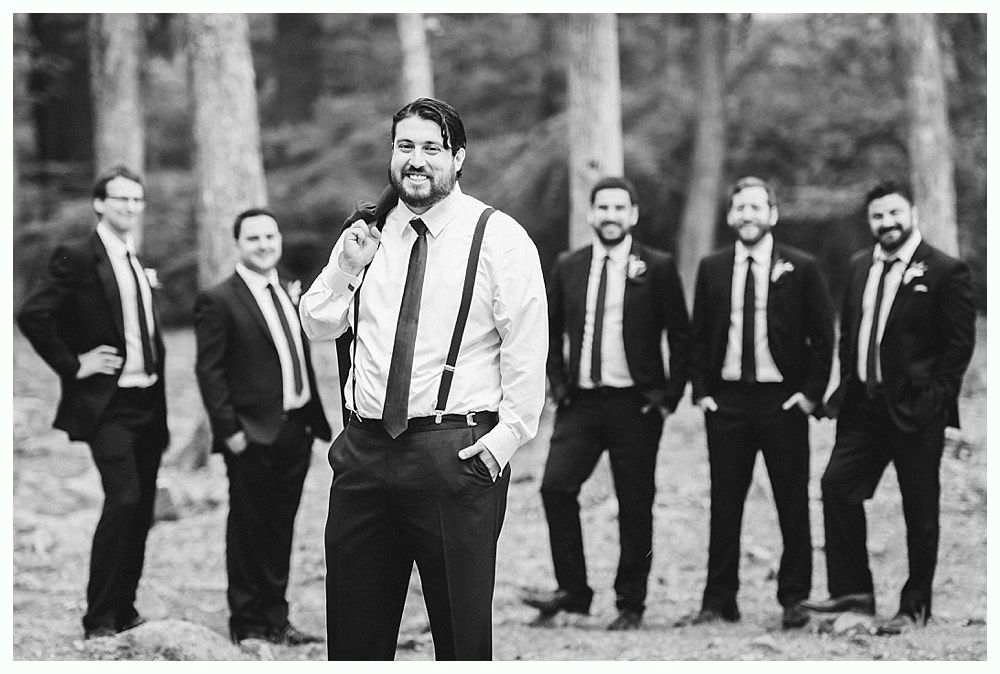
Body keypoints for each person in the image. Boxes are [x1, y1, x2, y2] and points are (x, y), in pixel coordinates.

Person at [299, 97, 547, 660]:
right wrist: (346, 266)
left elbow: (528, 352)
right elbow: (317, 322)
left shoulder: (499, 238)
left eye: (431, 149)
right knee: (355, 637)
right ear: (391, 154)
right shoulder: (365, 233)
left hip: (454, 455)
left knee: (460, 639)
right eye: (405, 146)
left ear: (458, 158)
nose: (417, 160)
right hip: (363, 454)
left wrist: (501, 444)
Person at [801, 181, 975, 635]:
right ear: (870, 222)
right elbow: (850, 333)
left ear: (912, 213)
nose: (887, 223)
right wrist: (843, 387)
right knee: (837, 485)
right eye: (878, 216)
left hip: (916, 410)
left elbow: (958, 346)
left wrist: (935, 399)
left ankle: (914, 606)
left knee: (919, 508)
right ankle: (854, 591)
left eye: (895, 213)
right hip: (862, 407)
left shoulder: (944, 270)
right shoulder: (860, 266)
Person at [521, 177, 690, 631]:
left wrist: (668, 397)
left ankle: (631, 603)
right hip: (581, 403)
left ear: (633, 214)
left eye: (620, 208)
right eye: (603, 208)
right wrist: (557, 386)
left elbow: (681, 333)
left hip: (637, 405)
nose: (611, 215)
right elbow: (550, 331)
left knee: (634, 503)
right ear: (592, 214)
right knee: (555, 487)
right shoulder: (569, 265)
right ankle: (574, 592)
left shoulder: (656, 266)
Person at [17, 165, 168, 639]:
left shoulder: (135, 258)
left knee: (142, 507)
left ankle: (124, 608)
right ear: (99, 203)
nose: (129, 207)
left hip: (149, 402)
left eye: (136, 200)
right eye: (120, 199)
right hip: (109, 406)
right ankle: (98, 617)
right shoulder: (78, 255)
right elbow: (34, 314)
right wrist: (73, 363)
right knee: (122, 499)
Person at [678, 176, 835, 630]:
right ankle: (719, 600)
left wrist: (809, 395)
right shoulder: (712, 266)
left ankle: (795, 598)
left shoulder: (801, 267)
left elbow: (824, 336)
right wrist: (702, 391)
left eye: (756, 207)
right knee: (725, 504)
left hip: (781, 401)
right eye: (740, 208)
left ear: (773, 214)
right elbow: (699, 333)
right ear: (731, 216)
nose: (747, 215)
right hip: (726, 402)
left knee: (792, 503)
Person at [193, 208, 331, 645]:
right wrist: (228, 430)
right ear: (238, 244)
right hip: (250, 433)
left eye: (270, 236)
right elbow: (209, 371)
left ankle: (278, 619)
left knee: (281, 526)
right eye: (254, 238)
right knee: (249, 528)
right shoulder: (219, 299)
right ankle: (247, 622)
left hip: (297, 429)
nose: (265, 244)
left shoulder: (290, 289)